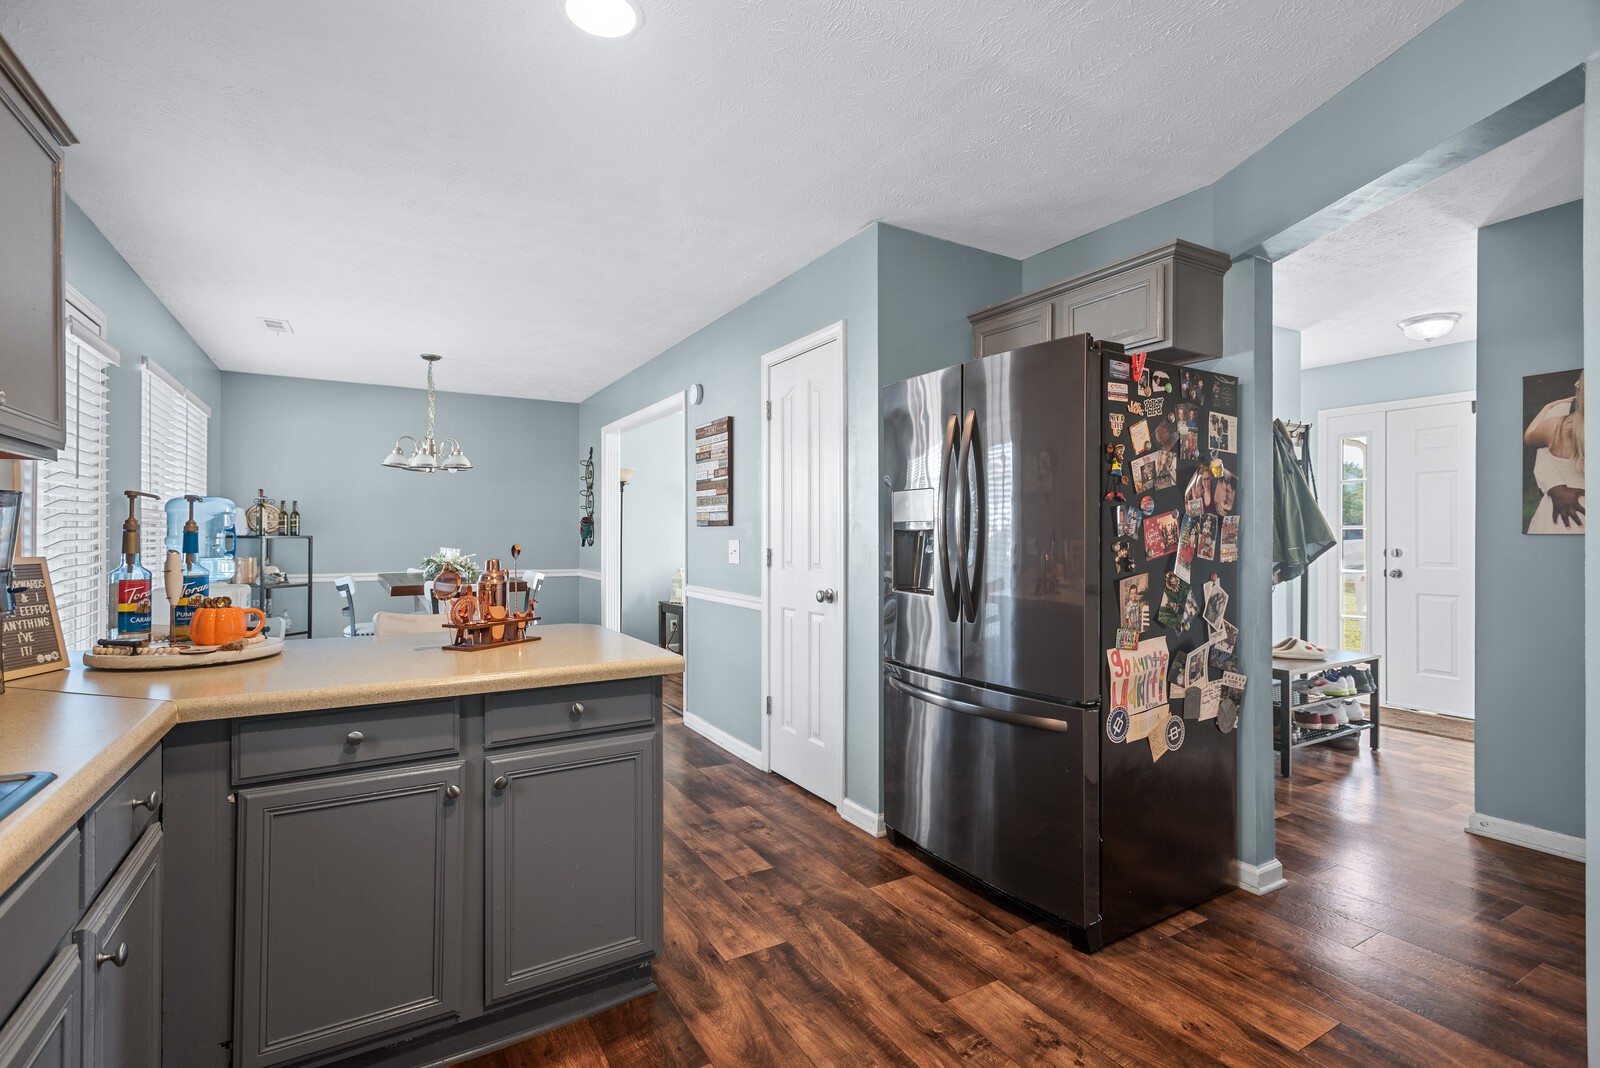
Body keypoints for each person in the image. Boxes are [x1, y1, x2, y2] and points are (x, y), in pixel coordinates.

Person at [1524, 372, 1586, 532]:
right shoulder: (1560, 415)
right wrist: (1554, 486)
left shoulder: (1555, 425)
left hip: (1557, 518)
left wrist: (1547, 407)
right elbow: (1544, 460)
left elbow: (1528, 437)